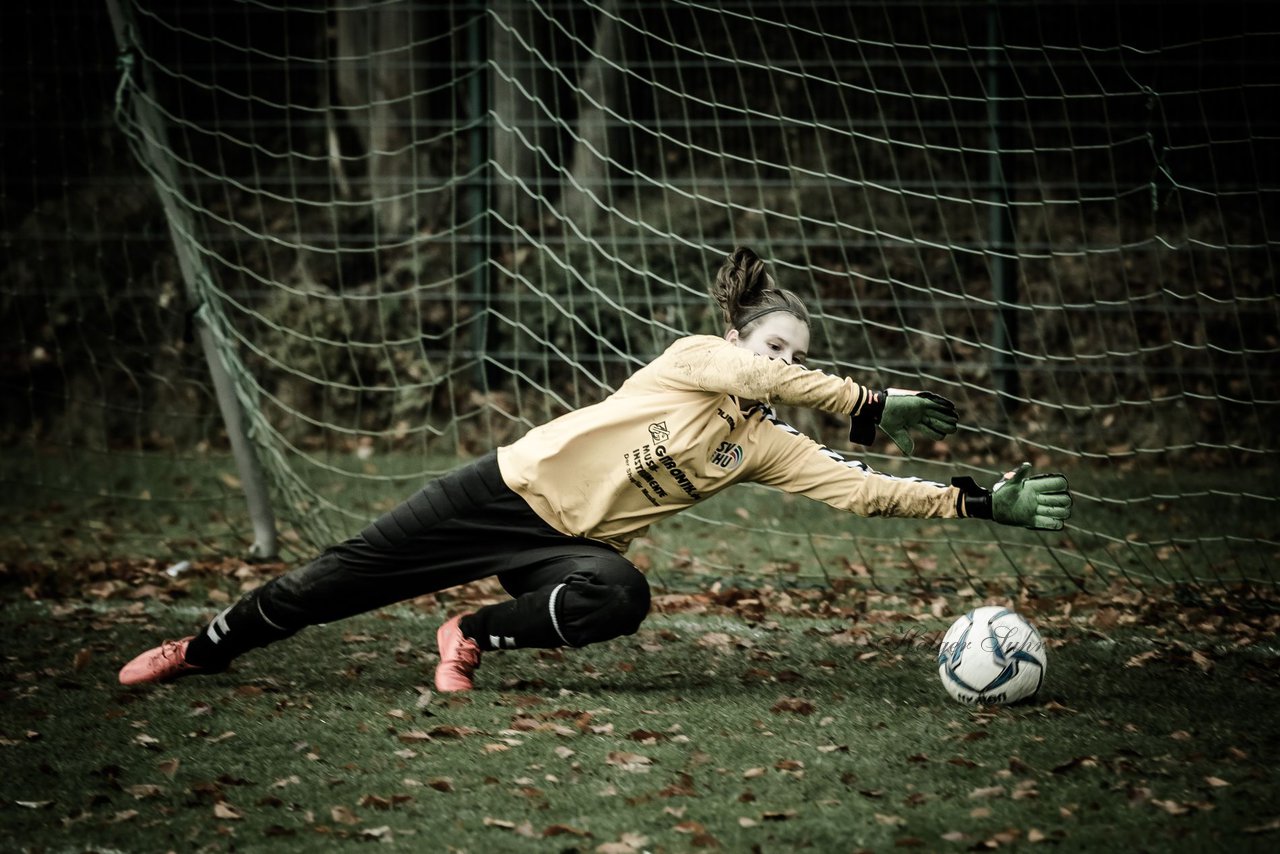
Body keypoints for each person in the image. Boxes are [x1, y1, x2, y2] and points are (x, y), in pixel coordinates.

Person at [119, 247, 1072, 691]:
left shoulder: (767, 441)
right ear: (745, 334)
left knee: (619, 594)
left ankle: (472, 634)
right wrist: (862, 399)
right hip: (499, 493)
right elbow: (749, 371)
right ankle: (200, 650)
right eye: (777, 346)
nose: (780, 366)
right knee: (334, 581)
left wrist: (977, 498)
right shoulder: (696, 359)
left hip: (565, 549)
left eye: (796, 356)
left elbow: (857, 488)